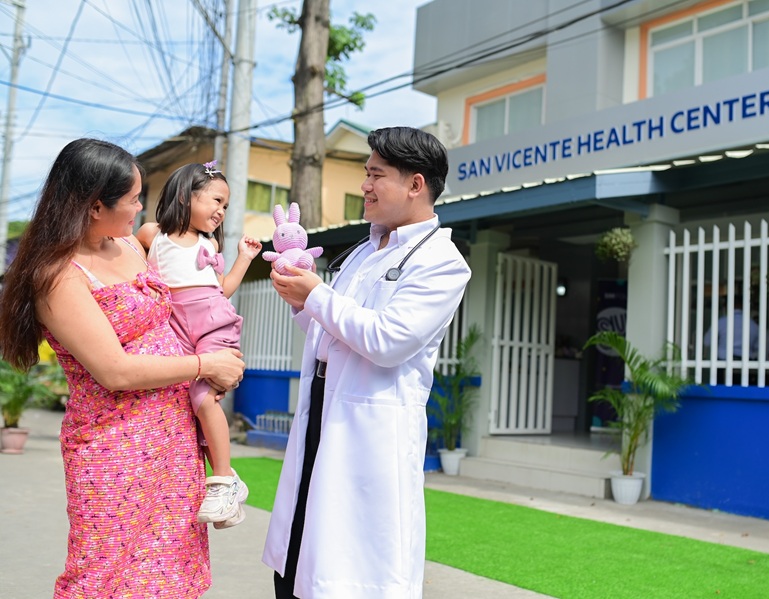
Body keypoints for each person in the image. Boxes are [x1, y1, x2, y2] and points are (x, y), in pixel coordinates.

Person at [0, 138, 245, 598]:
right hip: (114, 447)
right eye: (132, 198)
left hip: (172, 440)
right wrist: (204, 363)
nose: (140, 207)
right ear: (95, 205)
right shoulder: (59, 275)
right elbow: (114, 371)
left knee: (169, 570)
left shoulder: (129, 245)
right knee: (104, 573)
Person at [262, 126, 472, 599]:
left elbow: (387, 340)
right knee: (297, 558)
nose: (365, 186)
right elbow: (330, 335)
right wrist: (302, 304)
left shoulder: (442, 261)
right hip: (322, 411)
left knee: (347, 573)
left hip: (370, 428)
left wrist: (315, 295)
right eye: (366, 174)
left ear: (416, 184)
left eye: (376, 175)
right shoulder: (362, 250)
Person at [137, 161, 261, 528]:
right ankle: (228, 490)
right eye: (216, 201)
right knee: (186, 405)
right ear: (184, 196)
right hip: (176, 328)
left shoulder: (209, 244)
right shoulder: (151, 235)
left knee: (203, 398)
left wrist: (244, 258)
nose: (221, 211)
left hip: (213, 324)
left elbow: (221, 291)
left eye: (226, 205)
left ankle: (223, 479)